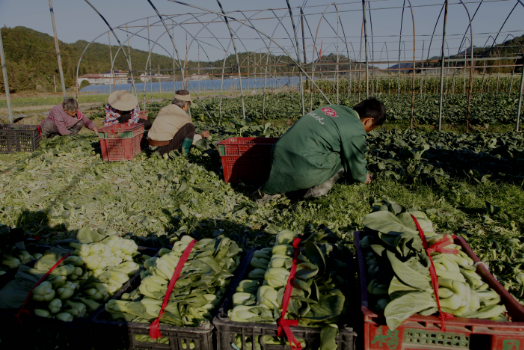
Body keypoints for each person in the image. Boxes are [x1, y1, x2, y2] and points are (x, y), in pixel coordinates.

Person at [255, 97, 386, 204]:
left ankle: (269, 190)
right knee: (343, 156)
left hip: (278, 153)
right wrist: (363, 177)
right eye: (372, 127)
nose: (369, 131)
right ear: (369, 121)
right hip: (303, 163)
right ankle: (313, 193)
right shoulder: (355, 128)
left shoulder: (334, 108)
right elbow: (355, 161)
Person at [147, 90, 210, 155]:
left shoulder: (164, 109)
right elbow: (189, 140)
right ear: (185, 105)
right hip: (164, 150)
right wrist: (202, 135)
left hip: (152, 149)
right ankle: (184, 154)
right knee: (190, 127)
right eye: (188, 105)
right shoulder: (184, 117)